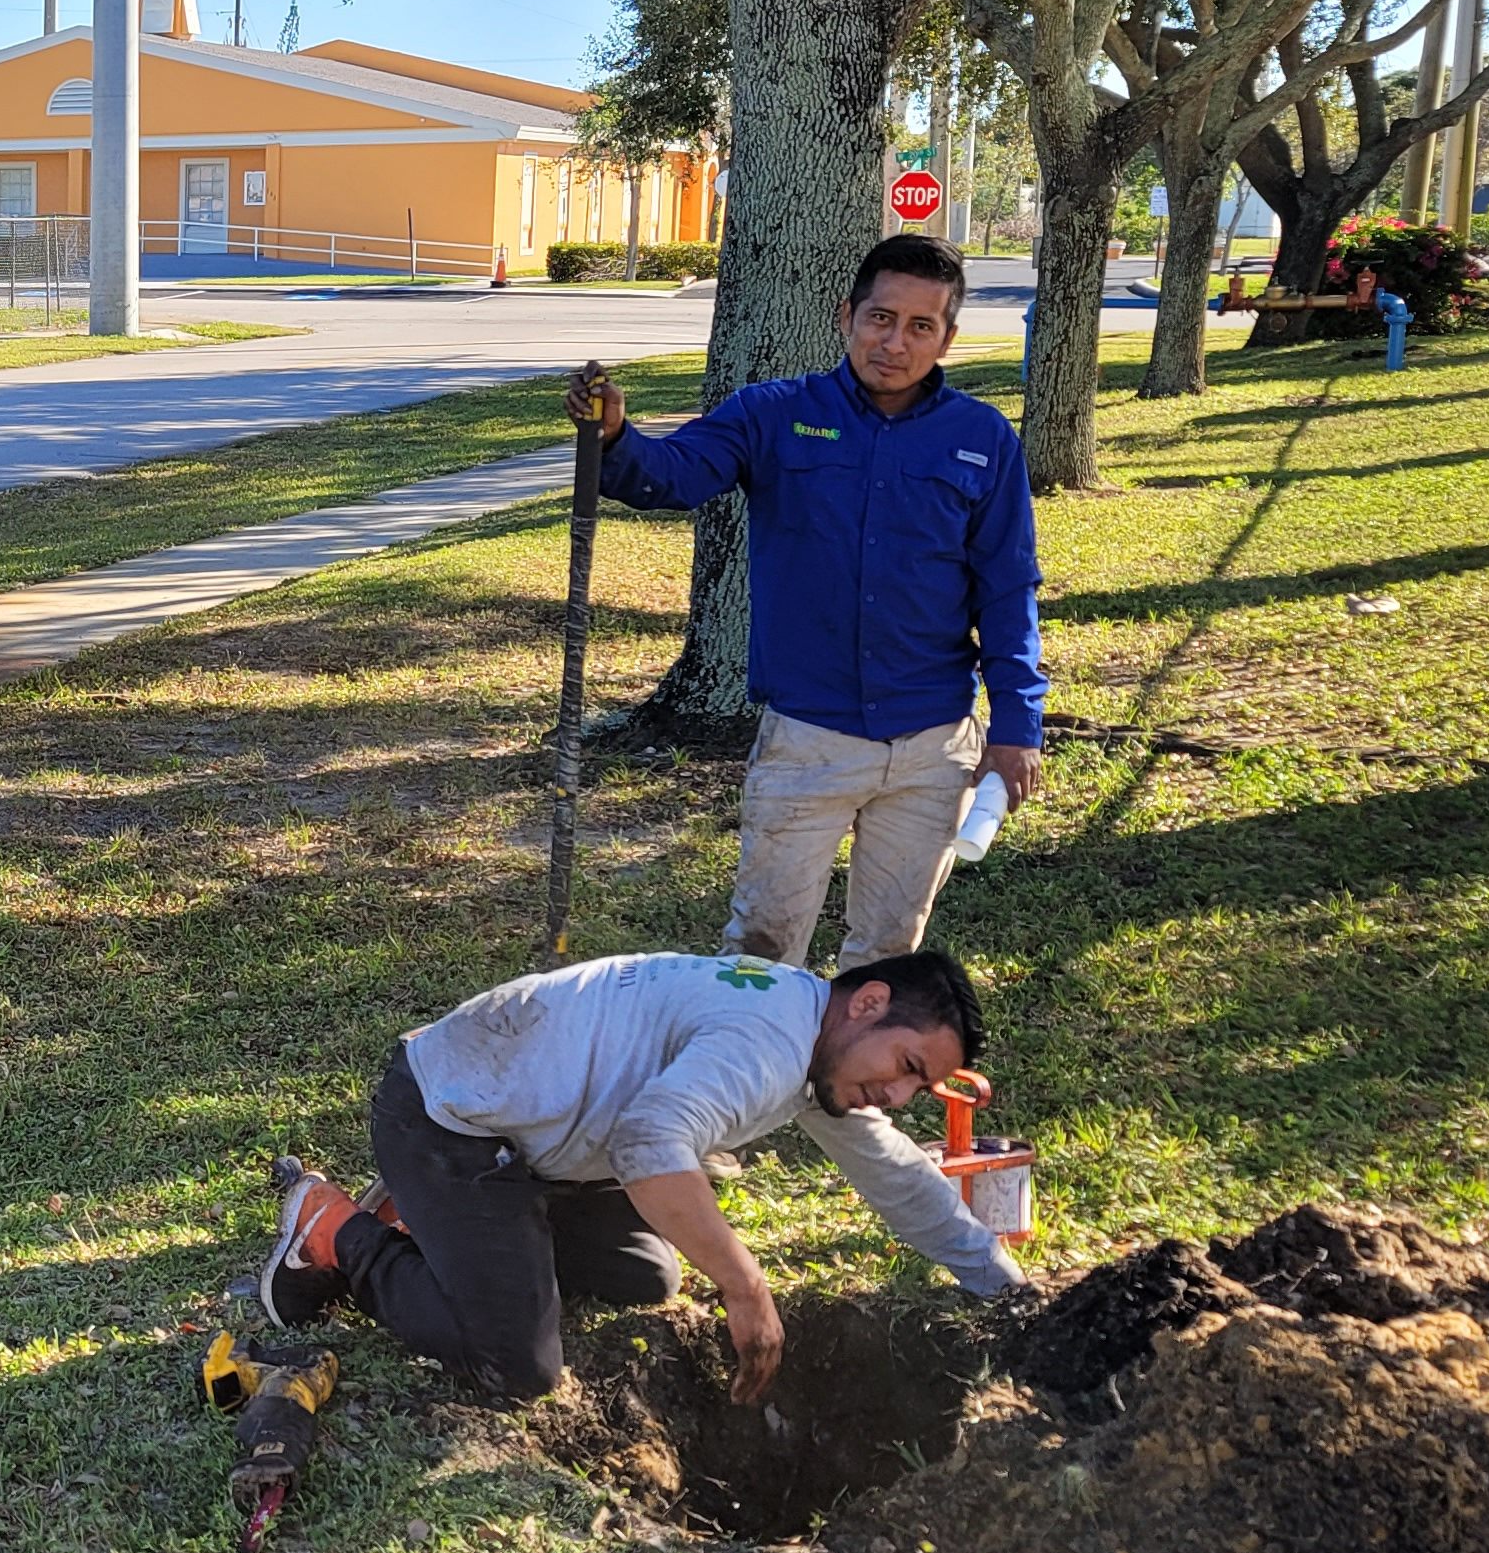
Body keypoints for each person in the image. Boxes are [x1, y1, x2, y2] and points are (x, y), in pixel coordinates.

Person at [565, 234, 1046, 970]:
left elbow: (1008, 589)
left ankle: (846, 1089)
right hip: (806, 741)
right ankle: (753, 1082)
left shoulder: (982, 439)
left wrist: (1017, 726)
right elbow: (674, 475)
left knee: (887, 954)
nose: (895, 342)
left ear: (948, 338)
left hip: (933, 749)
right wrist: (616, 439)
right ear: (846, 315)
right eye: (881, 318)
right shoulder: (774, 413)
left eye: (921, 327)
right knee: (759, 952)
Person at [259, 948, 1019, 1403]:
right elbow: (649, 1148)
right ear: (871, 1004)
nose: (895, 1096)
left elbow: (895, 1176)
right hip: (448, 1117)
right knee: (518, 1366)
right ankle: (340, 1231)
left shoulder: (809, 1030)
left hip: (537, 1140)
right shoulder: (769, 1045)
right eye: (906, 1068)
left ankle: (435, 1221)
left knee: (647, 1276)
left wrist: (1004, 1287)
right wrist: (744, 1284)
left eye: (917, 1089)